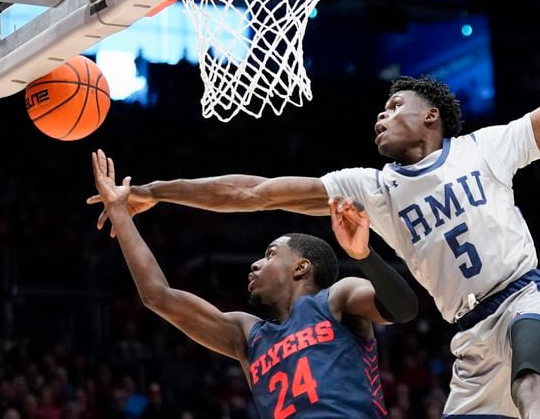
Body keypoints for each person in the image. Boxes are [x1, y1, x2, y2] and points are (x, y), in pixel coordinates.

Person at [88, 0, 540, 418]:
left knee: (533, 388)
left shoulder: (487, 147)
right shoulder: (371, 188)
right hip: (469, 334)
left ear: (430, 117)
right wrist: (150, 193)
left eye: (394, 105)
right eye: (380, 110)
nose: (382, 115)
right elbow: (253, 192)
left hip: (526, 295)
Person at [89, 150, 418, 418]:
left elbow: (403, 308)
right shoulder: (247, 335)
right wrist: (120, 213)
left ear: (301, 267)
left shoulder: (336, 299)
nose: (255, 264)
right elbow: (158, 296)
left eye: (271, 253)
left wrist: (364, 255)